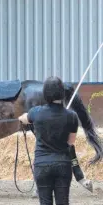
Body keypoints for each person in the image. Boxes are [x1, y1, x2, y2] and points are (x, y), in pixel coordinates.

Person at [18, 76, 79, 205]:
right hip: (63, 165)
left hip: (42, 165)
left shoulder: (35, 112)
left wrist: (21, 118)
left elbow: (24, 118)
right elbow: (70, 143)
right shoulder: (72, 116)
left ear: (45, 93)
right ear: (62, 94)